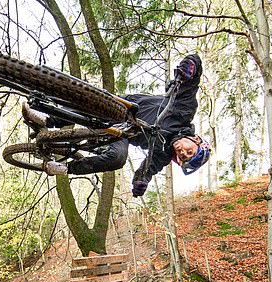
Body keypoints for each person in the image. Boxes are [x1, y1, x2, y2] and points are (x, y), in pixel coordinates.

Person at [25, 54, 211, 197]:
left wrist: (140, 183)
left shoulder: (163, 153)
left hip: (120, 134)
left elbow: (147, 170)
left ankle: (65, 169)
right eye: (189, 151)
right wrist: (190, 66)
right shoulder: (184, 111)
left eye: (184, 158)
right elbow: (191, 83)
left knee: (118, 159)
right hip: (125, 107)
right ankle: (48, 119)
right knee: (96, 104)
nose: (182, 153)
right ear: (195, 140)